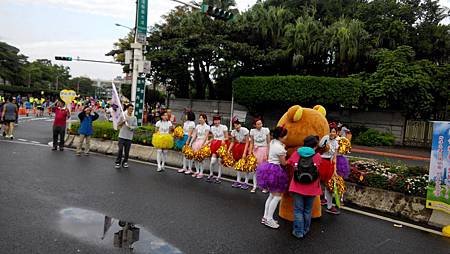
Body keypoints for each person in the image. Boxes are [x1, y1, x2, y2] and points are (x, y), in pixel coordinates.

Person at [289, 136, 322, 239]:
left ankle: (298, 232)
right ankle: (305, 229)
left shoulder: (296, 153)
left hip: (297, 186)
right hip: (312, 188)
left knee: (298, 210)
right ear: (315, 145)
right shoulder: (317, 156)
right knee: (307, 210)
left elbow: (290, 163)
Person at [256, 126, 289, 229]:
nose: (286, 137)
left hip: (268, 169)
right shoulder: (280, 148)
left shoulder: (273, 142)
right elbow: (284, 163)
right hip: (276, 171)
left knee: (271, 195)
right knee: (277, 196)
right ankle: (269, 219)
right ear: (281, 136)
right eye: (285, 135)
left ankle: (266, 217)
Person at [319, 123, 340, 214]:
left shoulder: (336, 143)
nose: (332, 133)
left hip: (329, 164)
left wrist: (334, 170)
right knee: (317, 183)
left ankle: (329, 205)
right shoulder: (325, 138)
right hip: (320, 162)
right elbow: (318, 149)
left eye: (334, 132)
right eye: (331, 131)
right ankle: (318, 199)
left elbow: (334, 157)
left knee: (329, 185)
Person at [249, 118, 270, 193]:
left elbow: (268, 142)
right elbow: (251, 142)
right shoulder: (252, 131)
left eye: (260, 123)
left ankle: (264, 186)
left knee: (263, 170)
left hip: (264, 150)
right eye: (258, 124)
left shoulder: (266, 130)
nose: (260, 125)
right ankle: (254, 185)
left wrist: (268, 152)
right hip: (255, 151)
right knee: (255, 170)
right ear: (254, 125)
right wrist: (250, 152)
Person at [229, 118, 250, 189]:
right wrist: (229, 150)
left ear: (240, 125)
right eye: (235, 126)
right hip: (237, 147)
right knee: (238, 164)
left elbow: (247, 142)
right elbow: (232, 142)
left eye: (237, 125)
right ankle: (238, 180)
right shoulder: (233, 132)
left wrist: (244, 152)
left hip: (245, 147)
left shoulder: (245, 130)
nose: (236, 127)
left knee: (246, 165)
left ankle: (246, 182)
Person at [115, 104, 137, 169]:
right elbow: (118, 125)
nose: (131, 110)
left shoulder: (134, 118)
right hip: (121, 136)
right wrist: (123, 122)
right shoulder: (123, 116)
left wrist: (131, 127)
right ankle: (118, 162)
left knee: (127, 151)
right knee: (120, 149)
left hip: (129, 137)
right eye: (130, 109)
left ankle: (125, 162)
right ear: (127, 109)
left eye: (132, 109)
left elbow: (135, 126)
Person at [208, 115, 229, 182]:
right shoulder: (212, 127)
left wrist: (223, 140)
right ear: (213, 121)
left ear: (220, 120)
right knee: (212, 161)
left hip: (221, 145)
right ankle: (211, 174)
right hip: (214, 144)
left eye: (218, 120)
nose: (216, 121)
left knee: (220, 162)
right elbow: (213, 137)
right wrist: (208, 142)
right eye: (215, 120)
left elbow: (227, 137)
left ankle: (219, 176)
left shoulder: (224, 127)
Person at [189, 114, 210, 178]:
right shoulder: (197, 126)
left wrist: (202, 145)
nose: (200, 119)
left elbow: (206, 136)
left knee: (201, 159)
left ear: (205, 119)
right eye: (199, 118)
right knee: (195, 158)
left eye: (201, 118)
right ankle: (197, 171)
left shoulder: (207, 127)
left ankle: (201, 172)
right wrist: (190, 143)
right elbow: (194, 135)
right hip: (197, 142)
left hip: (203, 142)